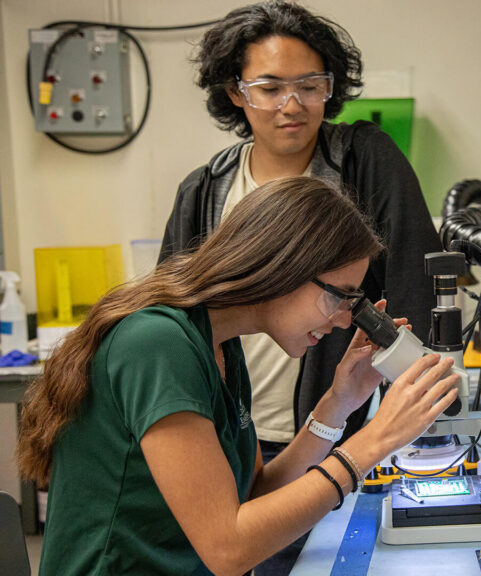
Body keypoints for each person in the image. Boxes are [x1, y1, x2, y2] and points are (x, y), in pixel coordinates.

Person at [18, 177, 458, 575]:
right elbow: (229, 549)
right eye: (340, 297)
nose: (345, 321)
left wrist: (339, 403)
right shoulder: (156, 344)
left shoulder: (220, 346)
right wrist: (376, 440)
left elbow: (254, 495)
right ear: (281, 266)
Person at [159, 0, 440, 483]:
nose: (292, 105)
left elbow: (416, 282)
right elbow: (175, 316)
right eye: (270, 88)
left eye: (310, 86)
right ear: (236, 92)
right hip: (230, 430)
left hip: (333, 424)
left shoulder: (362, 162)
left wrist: (415, 405)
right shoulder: (205, 190)